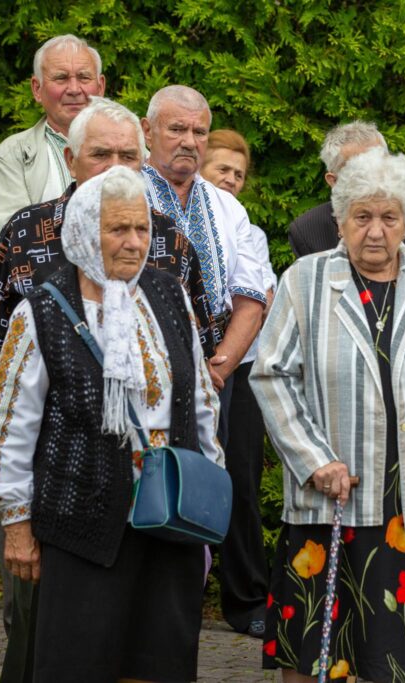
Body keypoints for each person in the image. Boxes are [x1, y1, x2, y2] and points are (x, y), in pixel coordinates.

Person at [0, 95, 214, 683]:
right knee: (79, 664)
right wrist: (17, 523)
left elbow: (201, 400)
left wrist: (206, 493)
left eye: (140, 228)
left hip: (167, 525)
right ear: (83, 231)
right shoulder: (45, 310)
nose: (133, 241)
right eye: (116, 229)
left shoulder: (169, 296)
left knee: (158, 665)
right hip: (79, 526)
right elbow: (12, 424)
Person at [251, 146, 405, 683]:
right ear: (340, 220)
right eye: (361, 216)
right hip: (329, 498)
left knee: (399, 657)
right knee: (316, 654)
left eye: (388, 216)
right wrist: (314, 460)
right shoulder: (306, 282)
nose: (375, 231)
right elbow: (270, 375)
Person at [140, 85, 266, 482]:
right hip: (140, 378)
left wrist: (220, 368)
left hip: (215, 379)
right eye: (177, 129)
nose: (189, 142)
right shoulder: (124, 193)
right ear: (147, 131)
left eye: (199, 133)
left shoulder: (228, 207)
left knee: (205, 491)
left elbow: (251, 298)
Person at [200, 128, 277, 638]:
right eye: (221, 168)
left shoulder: (249, 231)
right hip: (182, 367)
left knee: (241, 483)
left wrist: (224, 362)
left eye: (238, 173)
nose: (230, 178)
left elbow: (259, 298)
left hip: (241, 371)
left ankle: (248, 598)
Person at [0, 35, 105, 253]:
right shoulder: (11, 158)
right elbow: (13, 249)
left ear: (101, 86)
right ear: (37, 89)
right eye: (61, 78)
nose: (75, 89)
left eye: (84, 77)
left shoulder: (134, 152)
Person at [288, 120, 405, 272]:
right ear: (333, 181)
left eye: (379, 161)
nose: (371, 175)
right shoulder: (307, 232)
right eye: (357, 172)